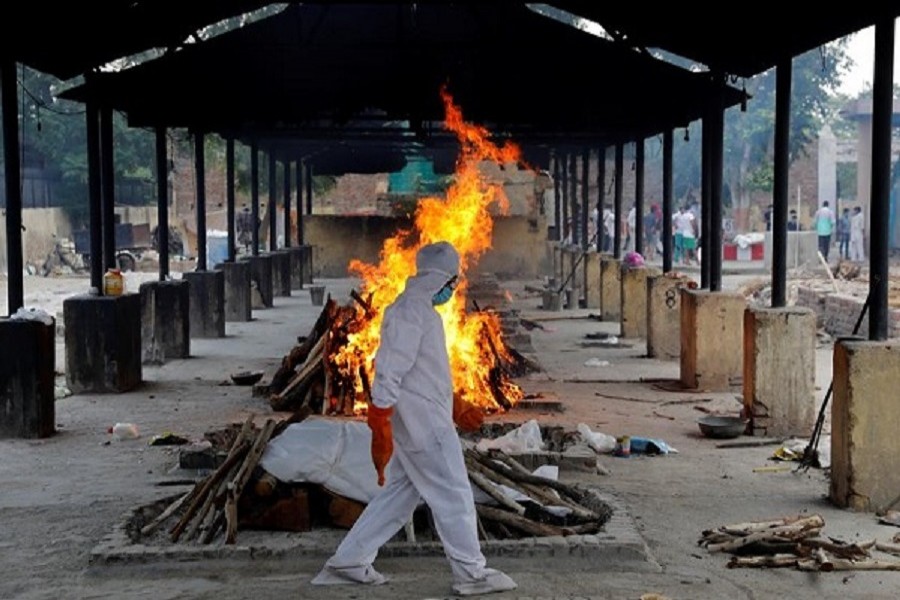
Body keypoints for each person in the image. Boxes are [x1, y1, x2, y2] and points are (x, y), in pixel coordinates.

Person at [311, 241, 517, 597]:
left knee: (400, 495)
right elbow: (390, 370)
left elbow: (421, 370)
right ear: (443, 279)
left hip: (421, 420)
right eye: (453, 283)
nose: (453, 290)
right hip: (425, 427)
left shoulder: (418, 310)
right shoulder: (412, 313)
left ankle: (349, 561)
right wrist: (379, 418)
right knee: (454, 494)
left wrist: (454, 403)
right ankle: (471, 574)